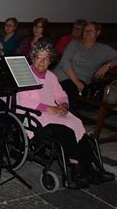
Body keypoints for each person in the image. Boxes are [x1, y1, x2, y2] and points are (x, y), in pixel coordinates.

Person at [16, 42, 114, 186]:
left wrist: (63, 105)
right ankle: (74, 172)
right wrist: (51, 109)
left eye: (46, 58)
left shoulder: (51, 76)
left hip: (52, 113)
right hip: (34, 116)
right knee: (67, 131)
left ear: (50, 61)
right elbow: (24, 101)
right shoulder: (25, 75)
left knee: (77, 125)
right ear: (33, 58)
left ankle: (93, 169)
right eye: (38, 57)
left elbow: (61, 95)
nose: (42, 61)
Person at [53, 21, 117, 107]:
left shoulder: (104, 50)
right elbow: (65, 62)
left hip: (78, 82)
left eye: (91, 30)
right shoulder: (74, 44)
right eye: (86, 30)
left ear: (98, 33)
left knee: (66, 92)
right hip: (60, 77)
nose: (87, 32)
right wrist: (76, 81)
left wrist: (108, 65)